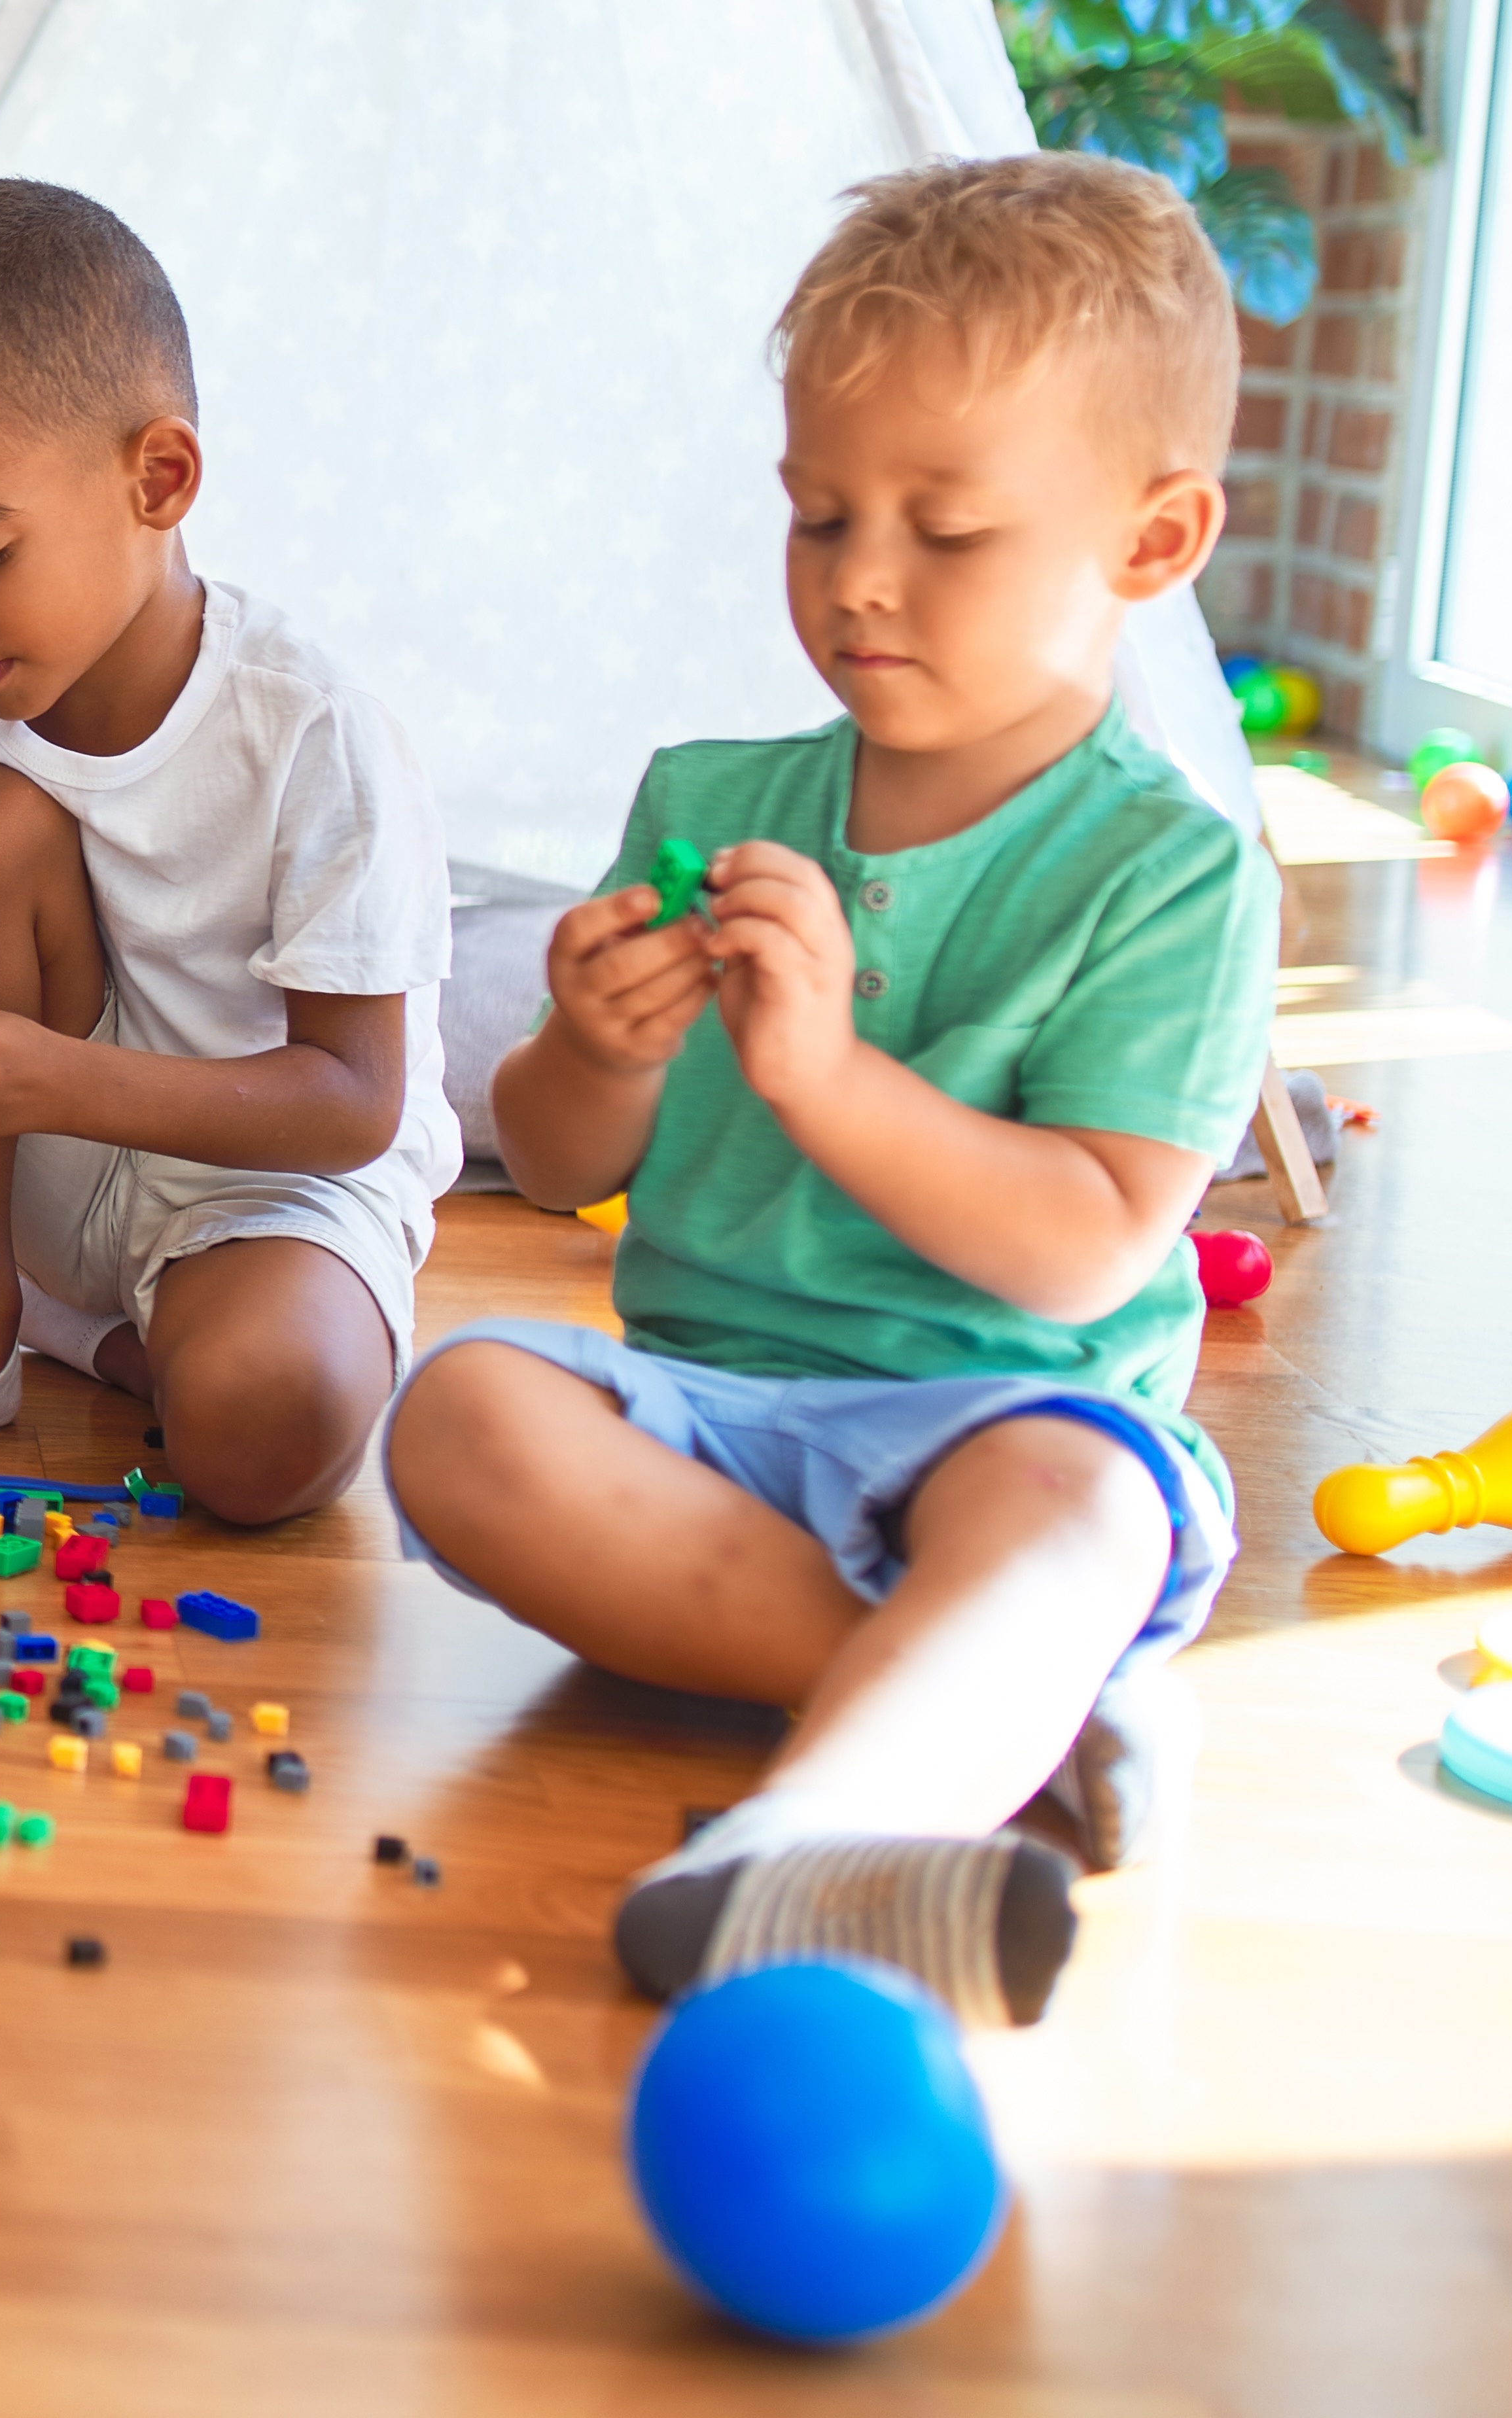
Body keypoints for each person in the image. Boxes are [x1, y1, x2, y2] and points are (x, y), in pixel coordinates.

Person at [385, 154, 1272, 2027]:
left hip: (1007, 1415)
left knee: (1079, 1513)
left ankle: (805, 1839)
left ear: (1153, 540)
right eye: (818, 518)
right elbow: (556, 1168)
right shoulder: (713, 802)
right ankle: (995, 1703)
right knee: (458, 1412)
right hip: (713, 1407)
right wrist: (595, 1052)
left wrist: (830, 1076)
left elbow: (1085, 1253)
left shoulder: (1168, 872)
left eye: (948, 533)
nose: (863, 582)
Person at [0, 180, 455, 1504]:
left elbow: (352, 1105)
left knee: (259, 1435)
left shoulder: (312, 730)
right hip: (41, 1187)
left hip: (265, 1193)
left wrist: (40, 1079)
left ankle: (105, 1340)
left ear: (156, 478)